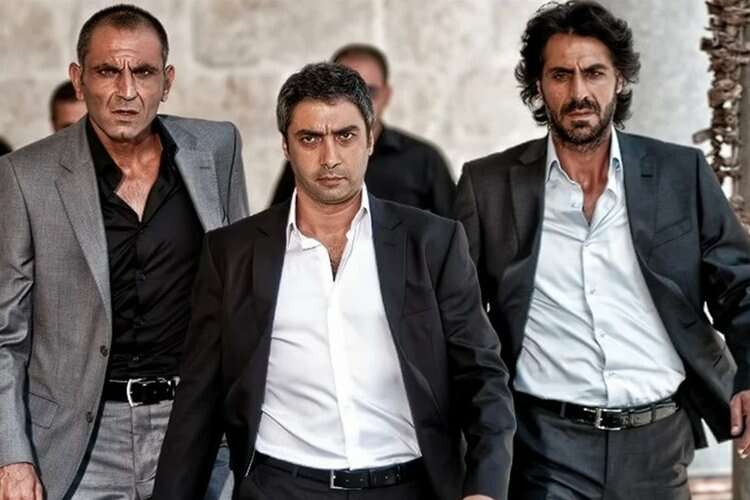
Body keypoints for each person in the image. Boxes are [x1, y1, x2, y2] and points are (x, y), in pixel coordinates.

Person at [153, 62, 514, 500]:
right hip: (281, 488)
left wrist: (485, 488)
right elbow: (199, 401)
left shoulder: (432, 242)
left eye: (345, 136)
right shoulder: (232, 253)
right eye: (310, 138)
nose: (329, 158)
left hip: (406, 486)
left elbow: (482, 376)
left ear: (370, 139)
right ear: (286, 146)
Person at [454, 1, 750, 498]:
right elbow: (457, 319)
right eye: (560, 75)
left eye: (594, 73)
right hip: (544, 448)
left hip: (658, 444)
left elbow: (740, 286)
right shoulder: (488, 186)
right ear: (538, 86)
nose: (579, 93)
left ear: (620, 80)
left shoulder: (680, 174)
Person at [0, 4, 248, 499]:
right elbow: (6, 333)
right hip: (80, 440)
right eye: (108, 71)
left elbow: (242, 292)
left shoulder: (216, 148)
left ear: (167, 81)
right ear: (78, 80)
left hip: (195, 425)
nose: (127, 91)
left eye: (144, 72)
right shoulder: (25, 176)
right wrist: (12, 455)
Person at [270, 44, 455, 217]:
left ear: (386, 95)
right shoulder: (308, 158)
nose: (360, 102)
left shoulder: (424, 159)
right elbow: (276, 224)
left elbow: (453, 231)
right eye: (347, 92)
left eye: (370, 92)